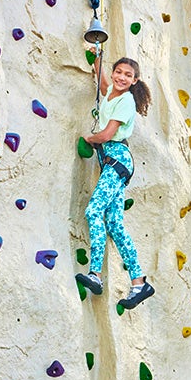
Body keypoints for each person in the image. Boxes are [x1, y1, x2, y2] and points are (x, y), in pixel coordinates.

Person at [74, 56, 155, 310]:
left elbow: (108, 134)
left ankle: (95, 274)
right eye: (118, 72)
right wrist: (97, 55)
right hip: (115, 162)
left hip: (116, 158)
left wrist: (90, 138)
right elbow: (103, 83)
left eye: (127, 75)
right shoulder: (112, 92)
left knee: (93, 210)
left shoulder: (126, 101)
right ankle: (139, 282)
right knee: (115, 224)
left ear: (135, 81)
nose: (121, 77)